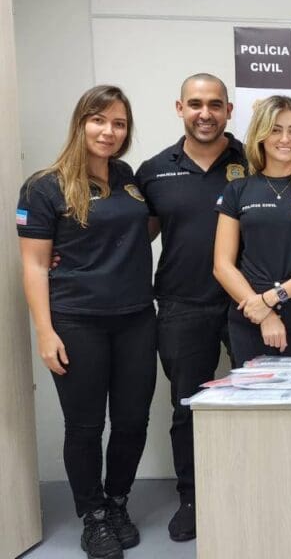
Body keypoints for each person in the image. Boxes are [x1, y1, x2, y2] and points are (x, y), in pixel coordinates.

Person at [17, 85, 155, 559]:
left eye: (118, 123)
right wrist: (44, 331)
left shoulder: (128, 178)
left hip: (137, 317)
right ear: (80, 123)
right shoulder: (44, 186)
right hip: (78, 322)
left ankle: (117, 503)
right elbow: (34, 265)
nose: (109, 131)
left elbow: (140, 226)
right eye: (99, 120)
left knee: (133, 421)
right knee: (85, 426)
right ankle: (92, 517)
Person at [130, 73, 245, 541]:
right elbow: (133, 237)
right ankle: (194, 497)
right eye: (195, 104)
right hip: (181, 303)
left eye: (215, 104)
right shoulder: (154, 170)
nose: (205, 113)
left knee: (260, 405)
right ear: (179, 108)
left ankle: (250, 488)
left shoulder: (254, 161)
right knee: (188, 408)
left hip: (248, 304)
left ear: (229, 111)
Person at [213, 95, 291, 366]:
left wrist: (271, 298)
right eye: (275, 129)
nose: (286, 139)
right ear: (261, 135)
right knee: (255, 404)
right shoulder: (237, 190)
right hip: (251, 317)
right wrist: (263, 312)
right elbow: (222, 265)